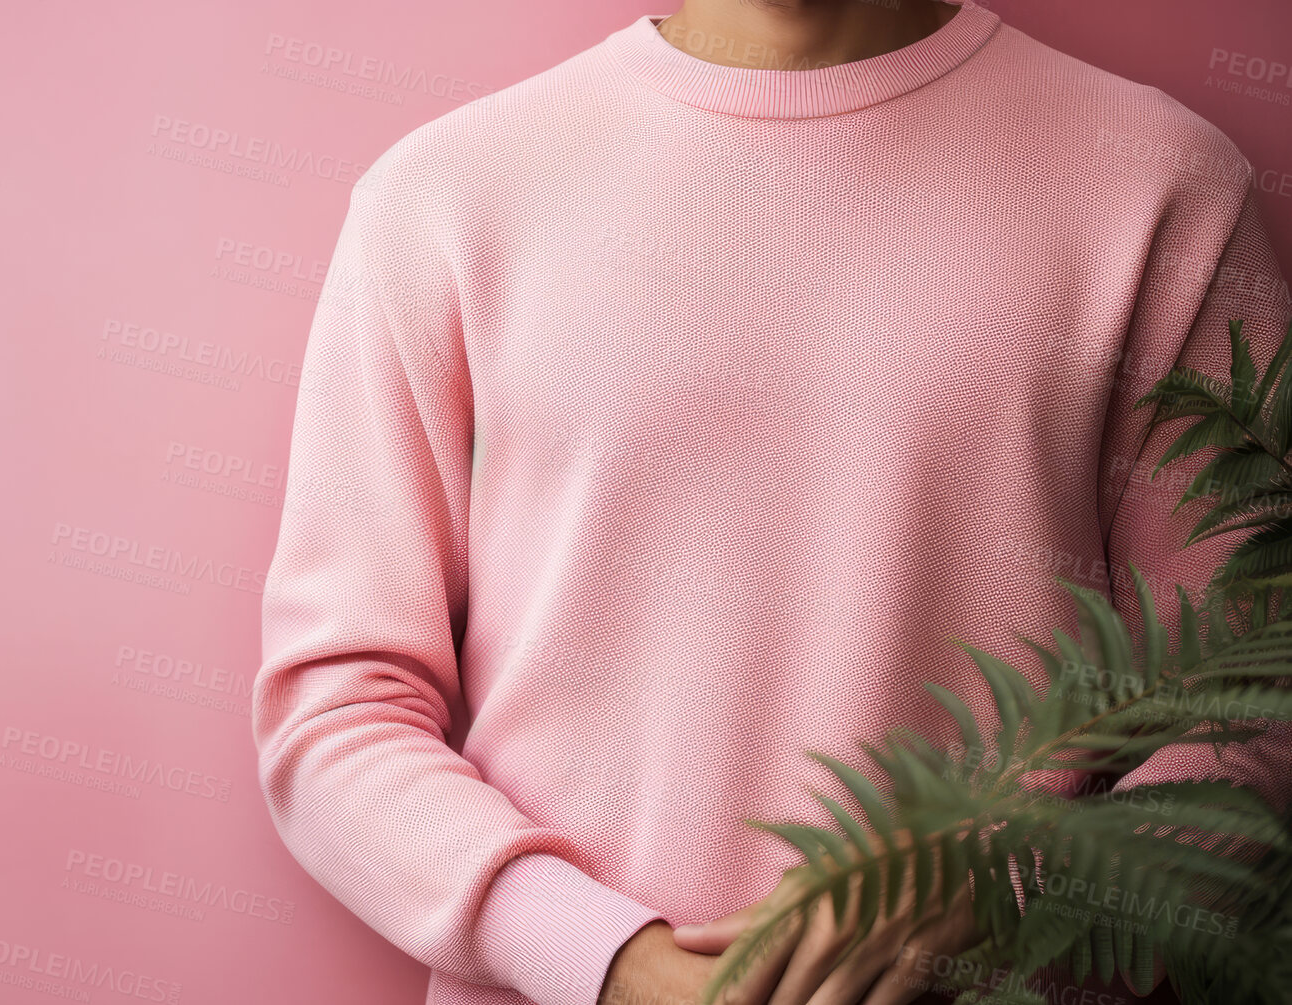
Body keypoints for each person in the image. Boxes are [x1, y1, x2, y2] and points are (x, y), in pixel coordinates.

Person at [251, 1, 1292, 1003]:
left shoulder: (1162, 184)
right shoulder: (446, 196)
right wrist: (604, 961)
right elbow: (337, 708)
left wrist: (1005, 893)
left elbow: (1258, 708)